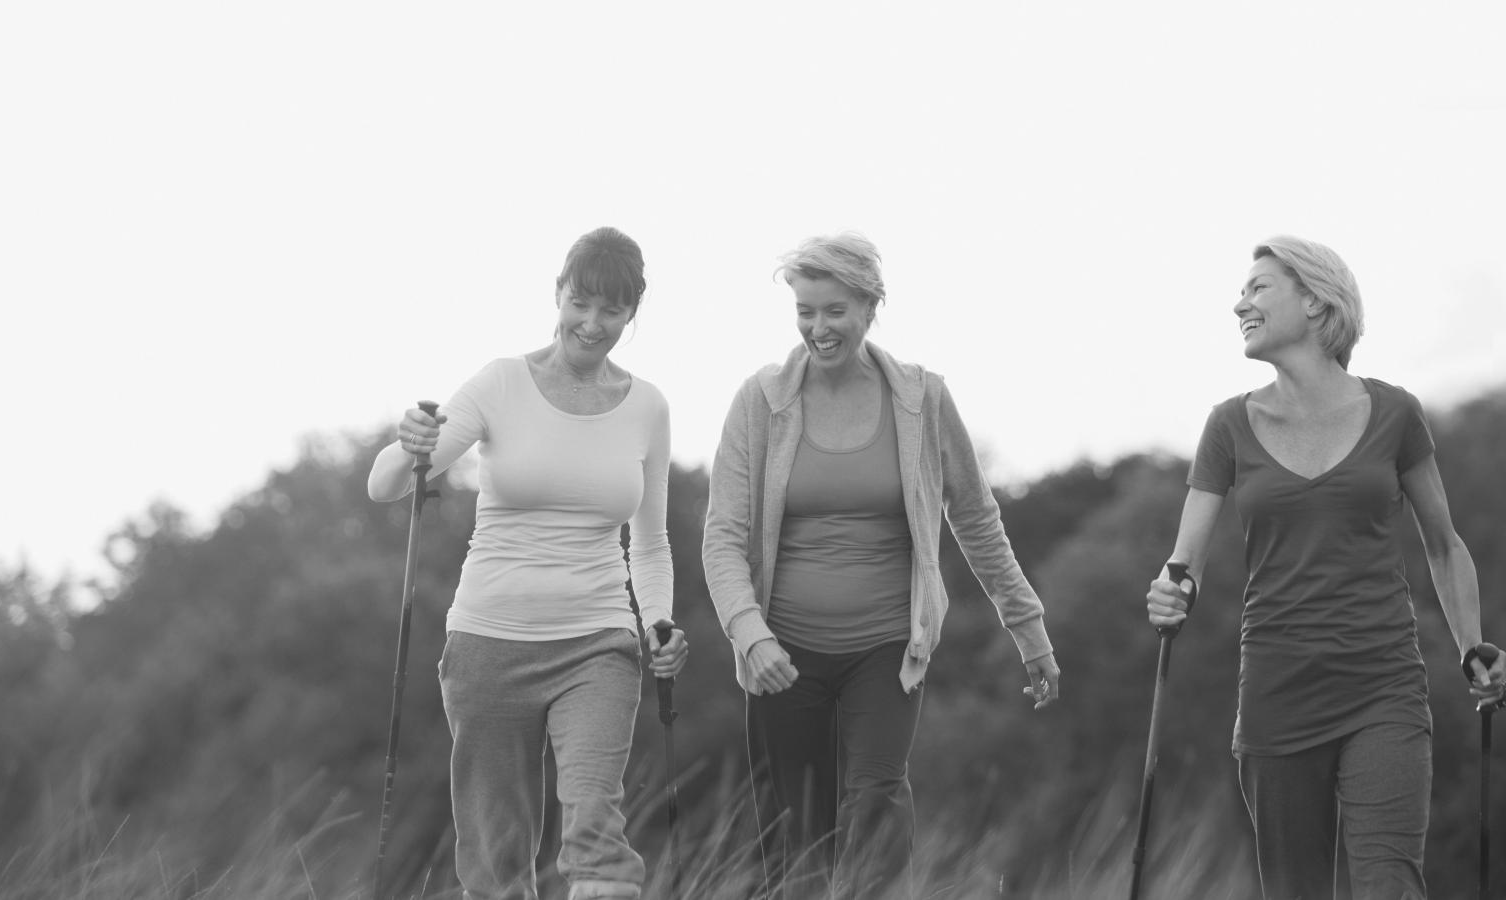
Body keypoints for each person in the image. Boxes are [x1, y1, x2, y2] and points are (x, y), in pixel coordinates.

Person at [1145, 235, 1506, 899]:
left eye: (1258, 288)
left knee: (1390, 887)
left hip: (1384, 688)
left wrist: (1470, 647)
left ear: (1315, 300)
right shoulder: (1229, 426)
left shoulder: (1395, 413)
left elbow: (1445, 544)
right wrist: (1173, 591)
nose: (1239, 304)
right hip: (1276, 699)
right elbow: (1185, 559)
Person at [701, 232, 1061, 900]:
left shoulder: (922, 400)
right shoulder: (761, 400)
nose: (817, 327)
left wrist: (1027, 625)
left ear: (871, 306)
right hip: (782, 649)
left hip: (887, 644)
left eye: (834, 310)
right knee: (794, 836)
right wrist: (749, 632)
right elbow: (722, 534)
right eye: (805, 311)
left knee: (877, 802)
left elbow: (976, 517)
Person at [367, 226, 688, 900]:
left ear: (633, 315)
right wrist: (408, 445)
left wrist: (658, 622)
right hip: (488, 644)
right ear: (559, 294)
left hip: (598, 643)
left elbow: (651, 541)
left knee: (597, 834)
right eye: (582, 303)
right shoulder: (501, 383)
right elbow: (388, 484)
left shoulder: (648, 407)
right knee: (495, 859)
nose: (593, 324)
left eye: (612, 311)